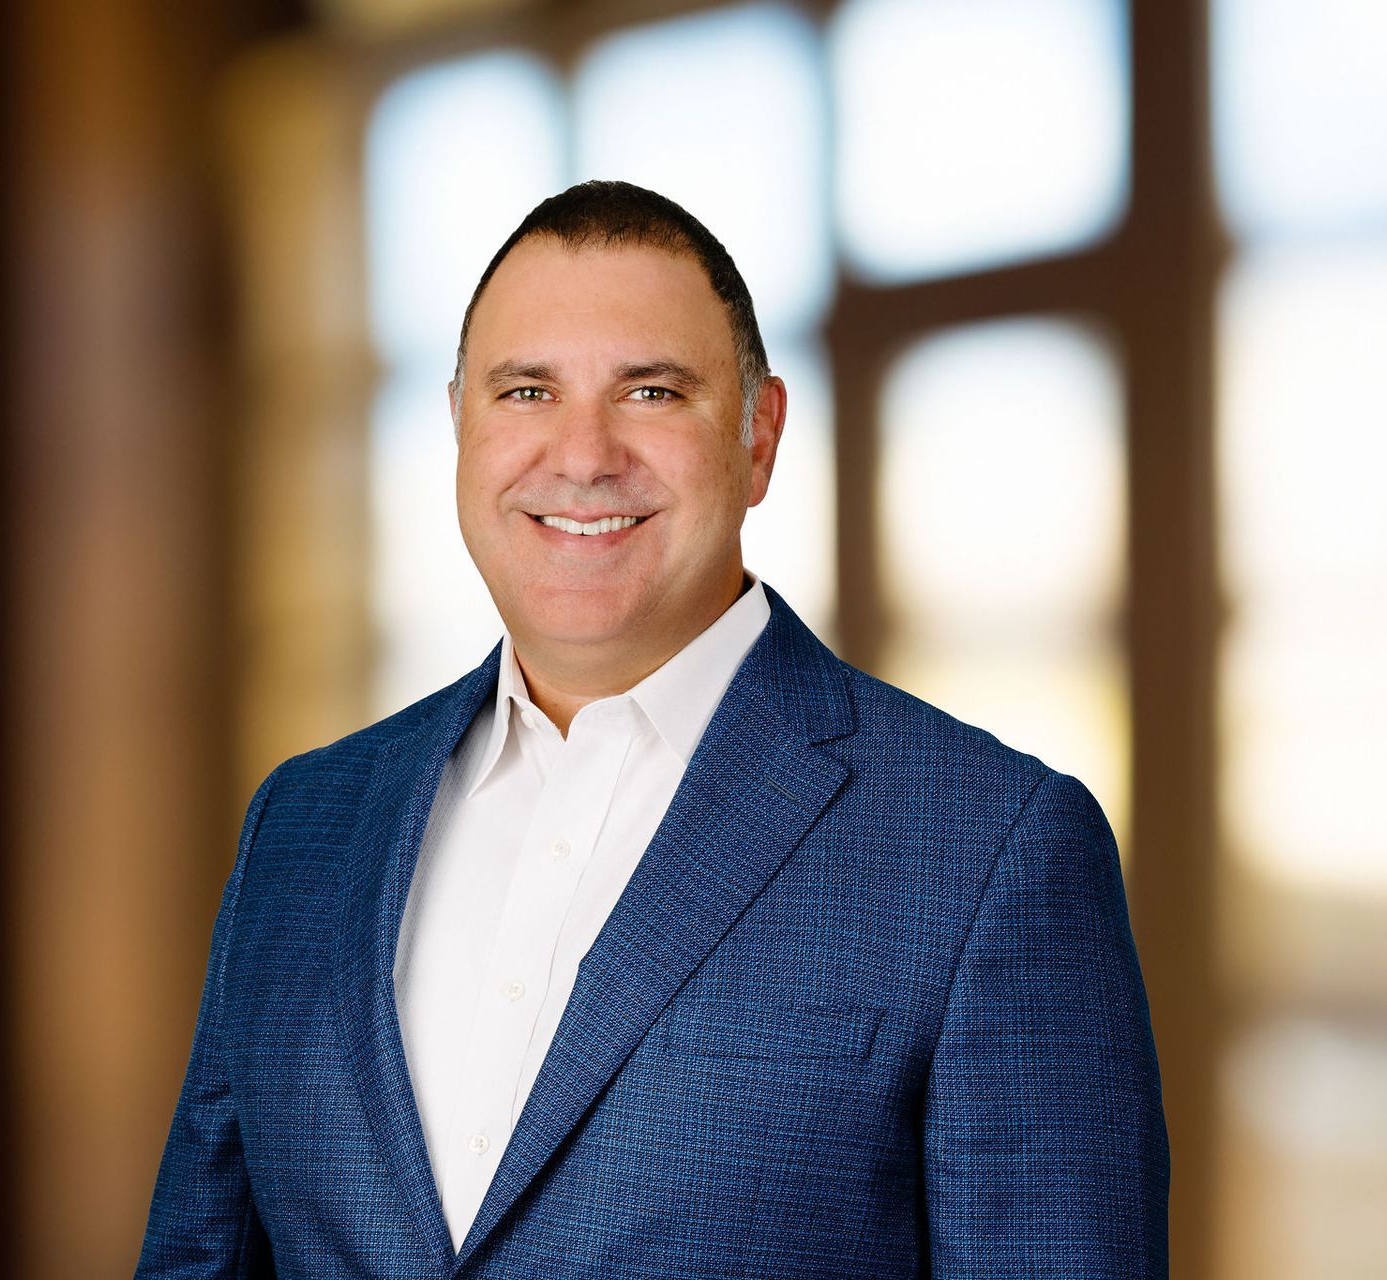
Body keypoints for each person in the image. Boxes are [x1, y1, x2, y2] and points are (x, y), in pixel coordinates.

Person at [137, 180, 1168, 1278]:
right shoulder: (301, 825)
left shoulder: (990, 849)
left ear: (759, 437)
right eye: (526, 389)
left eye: (653, 392)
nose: (583, 454)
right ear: (459, 429)